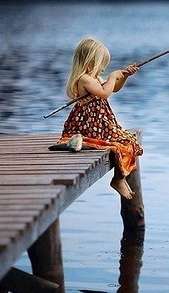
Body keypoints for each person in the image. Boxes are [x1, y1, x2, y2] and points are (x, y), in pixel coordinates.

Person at [57, 37, 143, 199]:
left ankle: (120, 178)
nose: (103, 68)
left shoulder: (94, 78)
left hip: (101, 123)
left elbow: (114, 89)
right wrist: (112, 76)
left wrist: (123, 77)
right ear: (90, 61)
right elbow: (104, 93)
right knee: (122, 143)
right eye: (101, 63)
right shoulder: (84, 79)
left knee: (129, 140)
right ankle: (118, 180)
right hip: (90, 125)